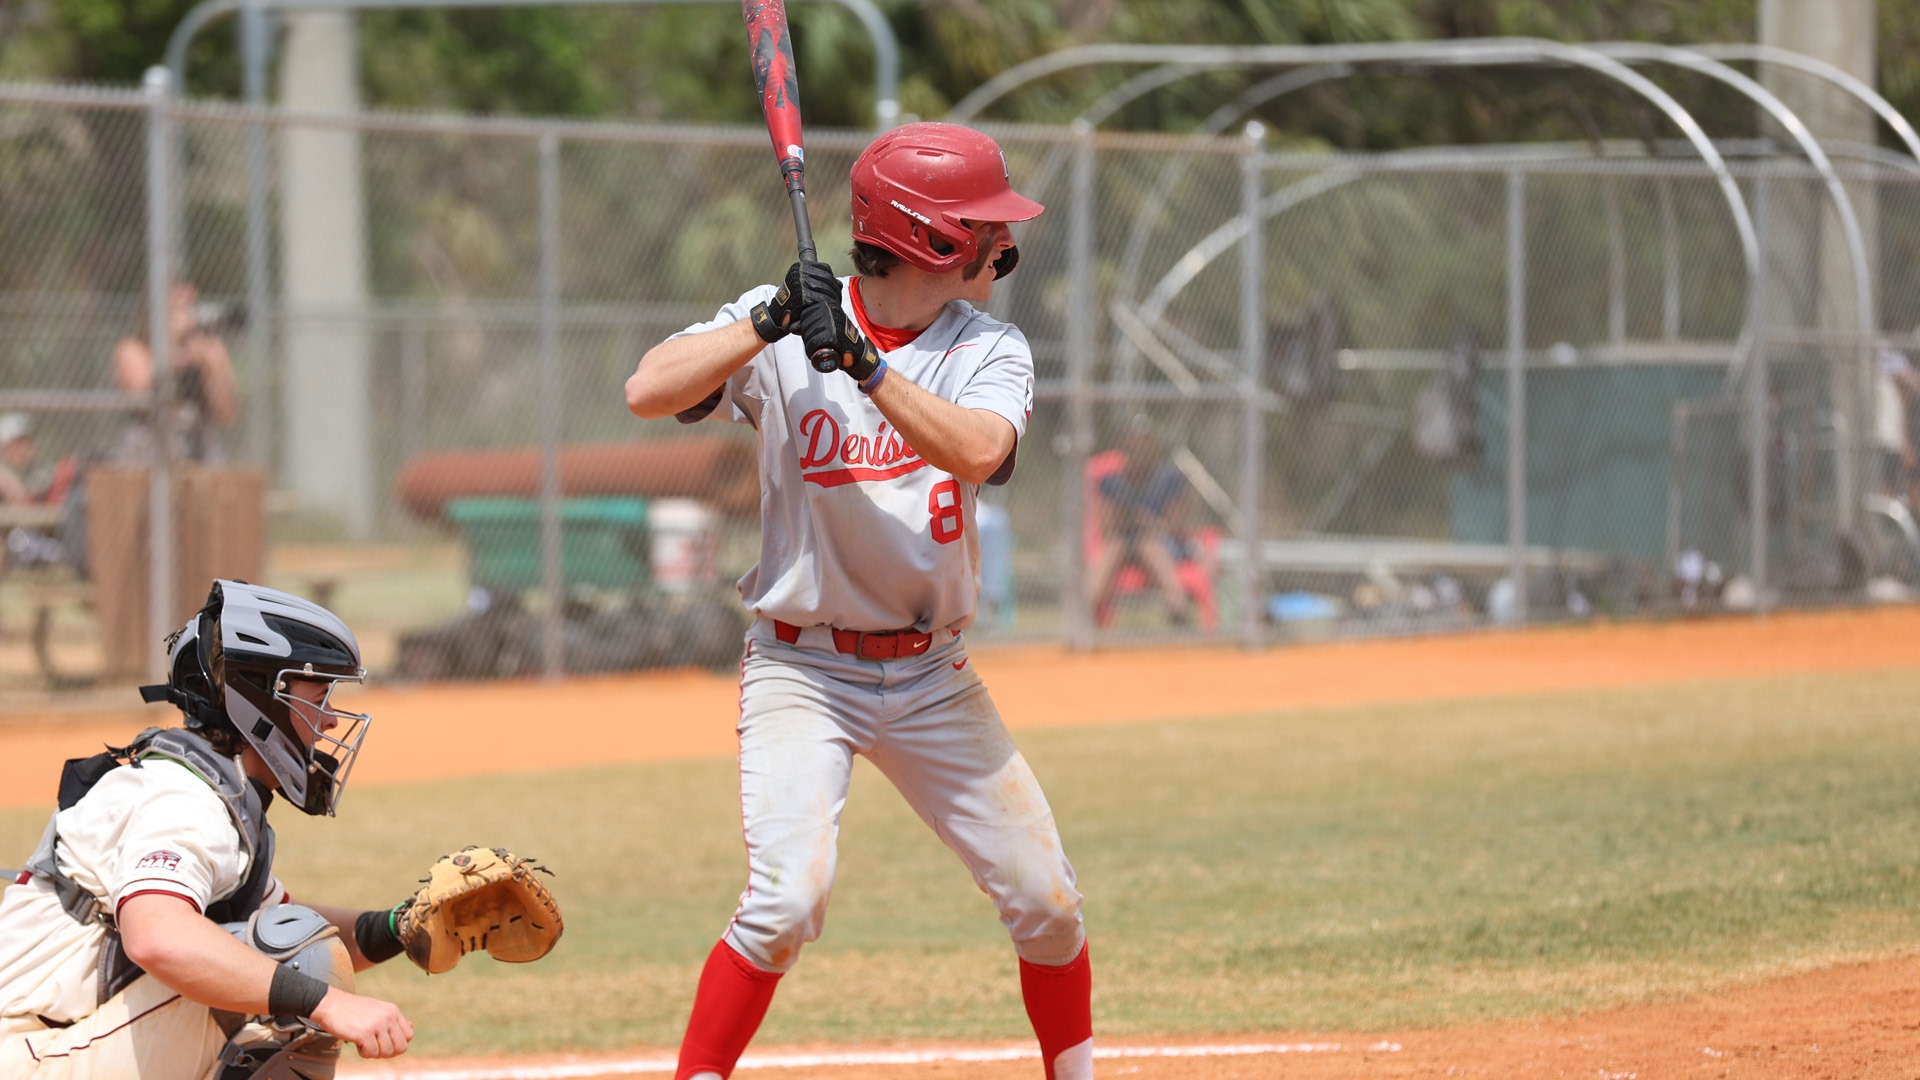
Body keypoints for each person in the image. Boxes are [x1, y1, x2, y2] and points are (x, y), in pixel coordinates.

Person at [625, 122, 1094, 1080]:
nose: (1002, 244)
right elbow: (646, 391)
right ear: (928, 238)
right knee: (786, 904)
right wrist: (765, 329)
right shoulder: (785, 319)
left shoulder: (988, 346)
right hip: (803, 669)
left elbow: (975, 451)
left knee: (1048, 903)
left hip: (932, 675)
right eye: (980, 226)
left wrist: (868, 368)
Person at [0, 580, 417, 1074]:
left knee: (289, 953)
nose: (329, 721)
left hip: (58, 1043)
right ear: (262, 698)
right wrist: (324, 1003)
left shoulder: (216, 790)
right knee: (294, 969)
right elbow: (158, 937)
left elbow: (290, 927)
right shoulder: (184, 798)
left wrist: (402, 928)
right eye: (319, 695)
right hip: (30, 1053)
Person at [112, 281, 240, 466]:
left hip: (201, 449)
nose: (187, 314)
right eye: (178, 308)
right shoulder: (133, 348)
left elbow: (227, 414)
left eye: (191, 306)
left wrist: (211, 365)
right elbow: (141, 392)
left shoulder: (207, 349)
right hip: (150, 450)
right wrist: (171, 347)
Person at [1086, 419, 1196, 627]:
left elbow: (1174, 527)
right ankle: (1086, 612)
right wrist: (1129, 519)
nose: (1138, 451)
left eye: (1142, 445)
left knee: (1147, 544)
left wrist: (1146, 523)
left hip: (1162, 544)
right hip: (1123, 542)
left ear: (1152, 447)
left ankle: (1178, 610)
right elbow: (1107, 528)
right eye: (1132, 445)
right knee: (1113, 548)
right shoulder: (1111, 482)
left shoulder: (1170, 478)